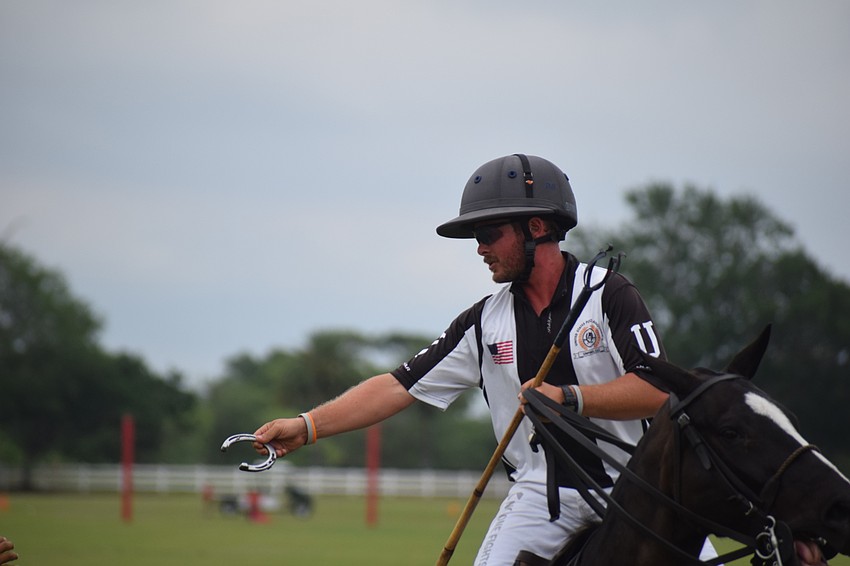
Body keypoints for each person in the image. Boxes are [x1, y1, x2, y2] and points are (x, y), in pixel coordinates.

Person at [252, 154, 706, 565]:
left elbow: (658, 389)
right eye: (476, 236)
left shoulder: (608, 293)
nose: (479, 248)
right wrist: (307, 425)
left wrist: (569, 398)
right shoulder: (483, 323)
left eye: (489, 234)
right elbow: (396, 386)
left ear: (536, 228)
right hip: (541, 500)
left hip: (638, 487)